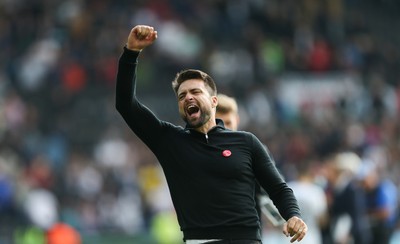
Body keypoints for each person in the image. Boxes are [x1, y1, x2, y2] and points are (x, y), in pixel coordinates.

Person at [115, 25, 307, 244]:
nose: (188, 97)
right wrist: (131, 53)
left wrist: (294, 215)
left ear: (214, 101)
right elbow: (125, 104)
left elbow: (278, 189)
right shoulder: (169, 141)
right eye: (182, 95)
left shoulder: (246, 142)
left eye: (195, 92)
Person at [215, 93, 286, 229]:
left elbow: (275, 187)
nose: (225, 129)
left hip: (248, 232)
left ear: (237, 119)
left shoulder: (253, 149)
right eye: (220, 123)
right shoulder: (203, 152)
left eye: (228, 122)